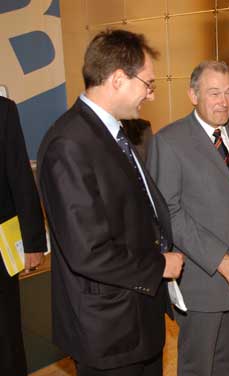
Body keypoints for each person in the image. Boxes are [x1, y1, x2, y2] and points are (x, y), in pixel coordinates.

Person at [37, 29, 184, 376]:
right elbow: (88, 251)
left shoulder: (112, 132)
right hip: (109, 330)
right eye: (147, 84)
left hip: (136, 317)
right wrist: (157, 266)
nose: (150, 95)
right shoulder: (69, 144)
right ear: (118, 78)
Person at [147, 60, 229, 376]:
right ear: (193, 95)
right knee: (197, 368)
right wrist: (218, 258)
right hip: (201, 281)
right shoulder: (169, 141)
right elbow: (169, 212)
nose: (223, 101)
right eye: (214, 92)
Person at [0, 96, 47, 376]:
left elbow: (19, 175)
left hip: (0, 249)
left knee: (5, 336)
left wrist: (33, 242)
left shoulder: (3, 110)